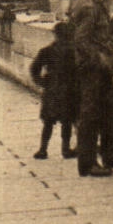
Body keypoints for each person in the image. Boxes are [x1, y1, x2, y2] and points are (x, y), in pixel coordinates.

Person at [68, 0, 113, 177]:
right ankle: (88, 163)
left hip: (100, 69)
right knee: (91, 115)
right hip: (92, 69)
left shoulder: (94, 4)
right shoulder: (90, 6)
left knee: (111, 112)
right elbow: (80, 40)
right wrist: (100, 59)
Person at [29, 21, 79, 160]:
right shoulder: (74, 51)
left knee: (48, 123)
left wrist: (42, 82)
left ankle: (43, 149)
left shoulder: (47, 50)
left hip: (52, 90)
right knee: (67, 122)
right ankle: (65, 149)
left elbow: (34, 69)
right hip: (69, 91)